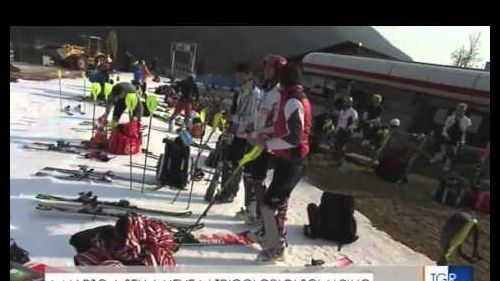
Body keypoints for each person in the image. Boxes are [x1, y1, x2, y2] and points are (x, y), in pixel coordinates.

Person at [247, 63, 312, 263]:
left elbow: (294, 137)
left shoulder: (293, 101)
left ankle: (277, 247)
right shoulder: (292, 97)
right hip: (287, 158)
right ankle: (269, 235)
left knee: (270, 203)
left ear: (282, 81)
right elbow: (281, 128)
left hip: (293, 159)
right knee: (275, 200)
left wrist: (266, 144)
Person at [235, 54, 287, 224]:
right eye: (265, 67)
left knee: (258, 179)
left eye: (269, 67)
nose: (265, 70)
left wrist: (263, 135)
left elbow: (279, 123)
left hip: (265, 143)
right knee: (248, 175)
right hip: (254, 139)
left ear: (277, 70)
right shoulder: (266, 89)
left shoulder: (280, 93)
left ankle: (260, 217)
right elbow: (259, 115)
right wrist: (251, 128)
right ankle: (250, 211)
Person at [216, 62, 263, 203]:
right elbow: (239, 109)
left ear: (248, 75)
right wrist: (231, 114)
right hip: (236, 131)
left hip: (245, 134)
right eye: (236, 74)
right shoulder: (242, 90)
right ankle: (226, 190)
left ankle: (229, 192)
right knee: (228, 162)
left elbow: (252, 118)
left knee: (235, 164)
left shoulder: (254, 92)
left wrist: (234, 117)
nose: (237, 77)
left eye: (240, 75)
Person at [430, 103, 472, 171]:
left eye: (463, 111)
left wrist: (462, 142)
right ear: (456, 110)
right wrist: (446, 136)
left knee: (453, 150)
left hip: (457, 137)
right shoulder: (450, 118)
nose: (460, 112)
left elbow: (464, 132)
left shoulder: (467, 121)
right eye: (459, 110)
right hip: (447, 135)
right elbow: (445, 128)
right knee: (441, 144)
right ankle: (439, 156)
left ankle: (447, 164)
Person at [331, 96, 358, 166]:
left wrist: (347, 129)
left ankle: (340, 161)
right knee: (335, 144)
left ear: (350, 103)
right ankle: (335, 159)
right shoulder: (342, 111)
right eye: (345, 102)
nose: (345, 103)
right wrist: (336, 130)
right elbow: (339, 122)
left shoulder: (352, 112)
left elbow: (353, 123)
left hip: (346, 132)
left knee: (341, 146)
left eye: (347, 102)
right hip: (340, 130)